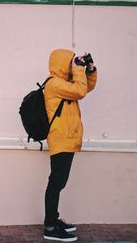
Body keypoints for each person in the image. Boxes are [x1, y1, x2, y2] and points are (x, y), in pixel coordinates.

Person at [43, 49, 98, 241]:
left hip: (67, 138)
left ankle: (53, 220)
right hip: (61, 139)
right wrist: (78, 70)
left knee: (58, 183)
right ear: (62, 64)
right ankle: (50, 227)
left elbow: (85, 87)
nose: (72, 66)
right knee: (56, 183)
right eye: (69, 63)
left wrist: (89, 70)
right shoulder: (54, 84)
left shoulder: (64, 84)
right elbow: (80, 91)